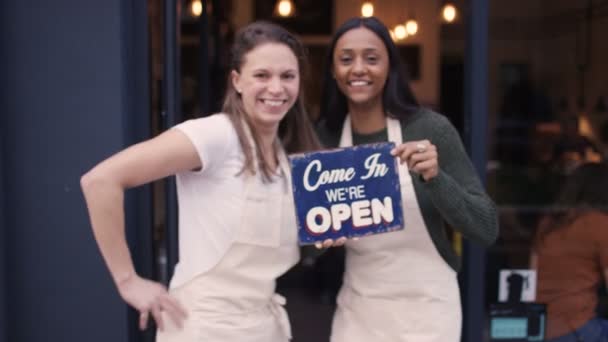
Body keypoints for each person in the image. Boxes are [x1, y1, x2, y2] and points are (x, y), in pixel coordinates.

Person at [80, 21, 319, 341]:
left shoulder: (286, 157)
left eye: (287, 76)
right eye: (262, 75)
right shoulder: (214, 135)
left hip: (263, 327)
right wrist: (127, 280)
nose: (276, 88)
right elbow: (100, 181)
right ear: (237, 81)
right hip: (204, 328)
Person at [315, 17, 499, 341]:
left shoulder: (430, 129)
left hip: (426, 313)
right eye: (346, 59)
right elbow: (301, 247)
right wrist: (318, 239)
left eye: (371, 58)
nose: (358, 68)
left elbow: (485, 228)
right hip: (359, 313)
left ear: (390, 66)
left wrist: (436, 177)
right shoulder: (325, 138)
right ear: (333, 70)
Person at [531, 163, 608, 341]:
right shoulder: (600, 224)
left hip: (540, 327)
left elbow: (531, 277)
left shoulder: (548, 224)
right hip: (576, 327)